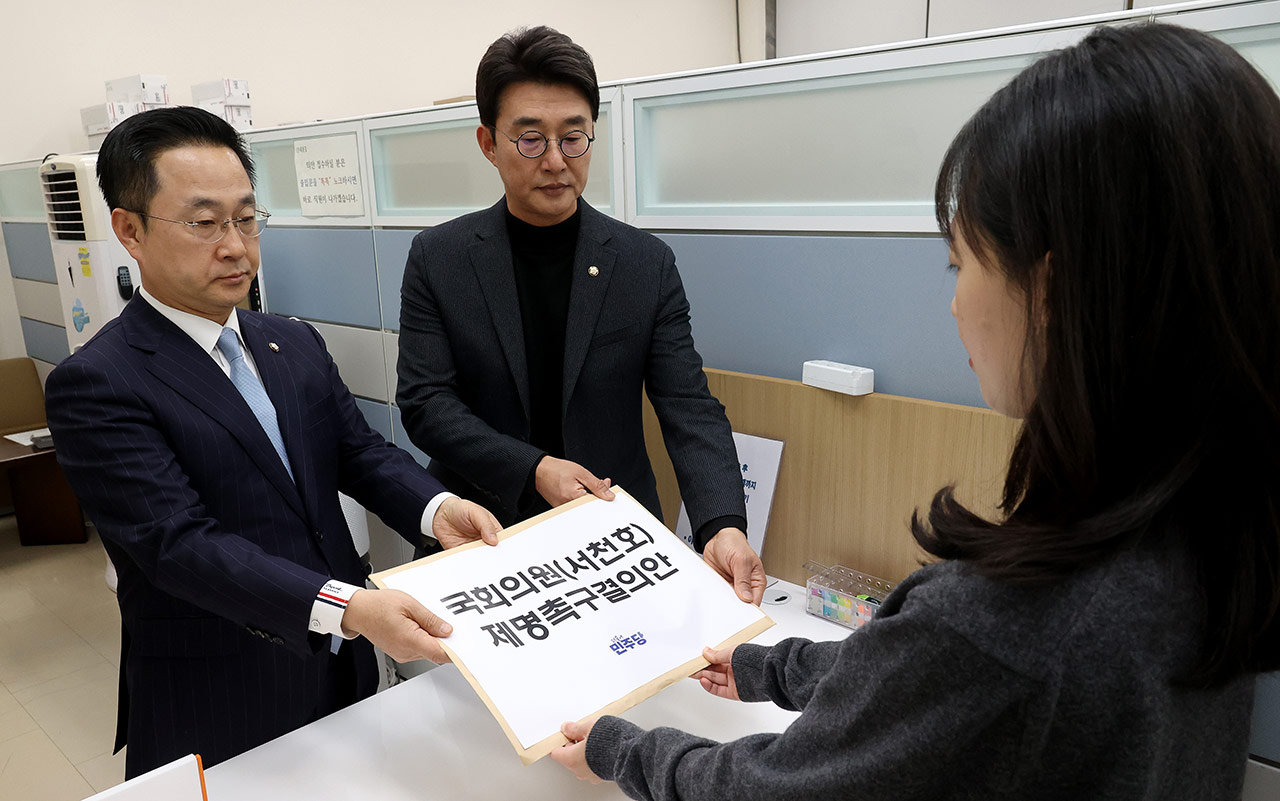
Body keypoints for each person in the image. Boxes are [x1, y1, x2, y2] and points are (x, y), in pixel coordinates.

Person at [549, 22, 1280, 799]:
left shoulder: (1012, 623)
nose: (955, 301)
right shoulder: (1209, 532)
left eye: (960, 261)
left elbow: (773, 785)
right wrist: (773, 665)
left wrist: (620, 746)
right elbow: (929, 683)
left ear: (1055, 291)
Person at [43, 107, 502, 777]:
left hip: (342, 669)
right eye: (204, 222)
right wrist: (349, 607)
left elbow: (357, 451)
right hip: (223, 692)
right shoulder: (99, 381)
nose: (235, 245)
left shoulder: (290, 339)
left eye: (246, 217)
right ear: (129, 230)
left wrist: (437, 508)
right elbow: (181, 545)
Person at [396, 26, 765, 604]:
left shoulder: (644, 263)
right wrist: (533, 467)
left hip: (612, 542)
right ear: (488, 143)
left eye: (573, 138)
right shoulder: (439, 258)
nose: (555, 161)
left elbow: (688, 406)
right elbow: (426, 404)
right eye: (530, 140)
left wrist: (722, 525)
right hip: (483, 532)